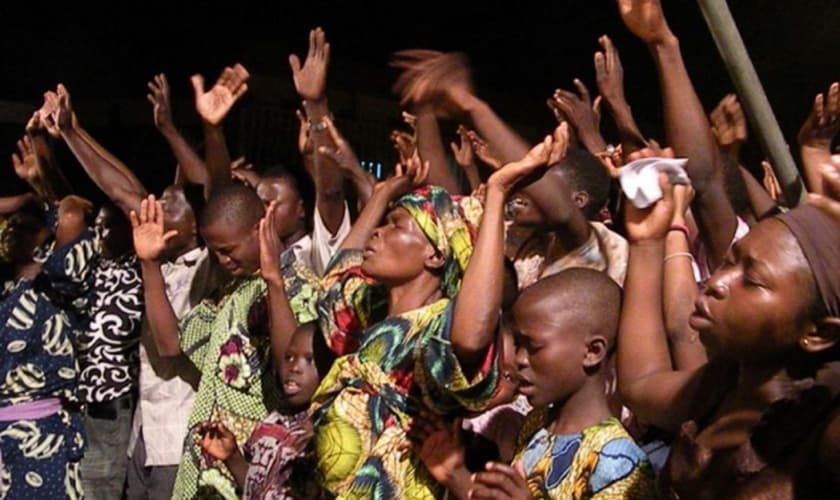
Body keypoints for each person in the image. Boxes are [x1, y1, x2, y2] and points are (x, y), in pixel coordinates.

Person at [310, 131, 565, 498]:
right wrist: (382, 196)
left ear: (435, 255)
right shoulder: (373, 313)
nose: (378, 231)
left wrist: (495, 195)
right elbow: (335, 282)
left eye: (396, 224)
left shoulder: (434, 326)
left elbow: (470, 336)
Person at [133, 185, 317, 499]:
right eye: (215, 250)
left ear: (260, 230)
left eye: (228, 250)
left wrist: (273, 279)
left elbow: (291, 364)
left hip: (253, 470)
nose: (221, 260)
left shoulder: (299, 287)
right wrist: (150, 265)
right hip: (208, 472)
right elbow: (171, 345)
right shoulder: (232, 292)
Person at [416, 269, 656, 499]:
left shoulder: (621, 465)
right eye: (519, 344)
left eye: (534, 347)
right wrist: (455, 473)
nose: (519, 359)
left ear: (593, 351)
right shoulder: (537, 423)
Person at [0, 195, 96, 499]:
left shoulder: (59, 291)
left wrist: (34, 196)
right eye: (12, 222)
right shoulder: (5, 295)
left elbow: (72, 213)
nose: (16, 225)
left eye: (29, 223)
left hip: (45, 441)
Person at [198, 322, 334, 499]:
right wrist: (232, 457)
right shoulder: (270, 426)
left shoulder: (329, 434)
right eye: (289, 357)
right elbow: (256, 489)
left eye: (309, 360)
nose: (294, 367)